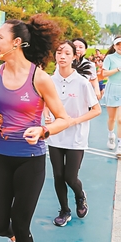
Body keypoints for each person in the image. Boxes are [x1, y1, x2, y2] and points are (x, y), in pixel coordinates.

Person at [0, 16, 71, 242]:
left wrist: (43, 130)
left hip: (31, 159)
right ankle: (12, 240)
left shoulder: (39, 78)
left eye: (0, 38)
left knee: (21, 222)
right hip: (0, 155)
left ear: (17, 43)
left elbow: (63, 119)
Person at [46, 41, 101, 227]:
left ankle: (80, 195)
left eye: (67, 53)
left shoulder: (82, 83)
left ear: (74, 57)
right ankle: (64, 210)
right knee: (58, 176)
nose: (62, 56)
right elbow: (44, 102)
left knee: (70, 177)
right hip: (55, 135)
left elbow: (96, 110)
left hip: (76, 137)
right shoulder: (49, 81)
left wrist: (74, 121)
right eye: (59, 52)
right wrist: (46, 114)